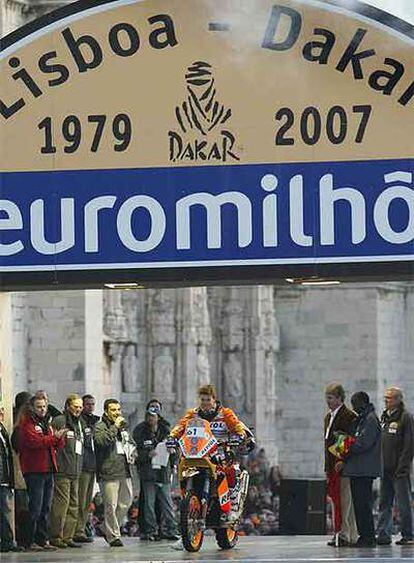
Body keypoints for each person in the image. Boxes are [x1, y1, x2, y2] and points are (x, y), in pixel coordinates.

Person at [169, 384, 253, 521]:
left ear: (214, 399)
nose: (205, 403)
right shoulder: (192, 414)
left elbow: (237, 425)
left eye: (208, 400)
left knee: (230, 470)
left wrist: (240, 435)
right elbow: (180, 426)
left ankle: (232, 505)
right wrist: (172, 437)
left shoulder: (225, 413)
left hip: (220, 452)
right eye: (202, 400)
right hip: (197, 453)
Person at [18, 393, 66, 551]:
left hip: (49, 469)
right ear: (32, 407)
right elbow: (34, 442)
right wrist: (54, 439)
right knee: (35, 508)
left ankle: (42, 539)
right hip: (35, 471)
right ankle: (29, 541)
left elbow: (55, 444)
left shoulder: (47, 423)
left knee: (46, 508)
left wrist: (59, 438)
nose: (42, 409)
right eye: (39, 407)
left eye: (44, 406)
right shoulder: (26, 424)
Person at [341, 391, 382, 548]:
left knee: (363, 504)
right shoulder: (361, 419)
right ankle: (364, 535)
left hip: (365, 469)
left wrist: (346, 446)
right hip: (357, 469)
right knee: (359, 504)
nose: (354, 407)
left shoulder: (370, 420)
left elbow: (363, 443)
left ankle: (368, 536)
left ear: (363, 403)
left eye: (355, 403)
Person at [94, 398, 135, 547]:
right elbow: (101, 441)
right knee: (110, 505)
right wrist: (115, 427)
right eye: (113, 410)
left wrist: (133, 451)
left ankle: (106, 527)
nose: (117, 413)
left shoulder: (123, 429)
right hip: (108, 472)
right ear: (106, 411)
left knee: (126, 502)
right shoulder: (100, 426)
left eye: (118, 410)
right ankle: (113, 536)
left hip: (124, 470)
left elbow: (131, 443)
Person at [133, 406, 179, 541]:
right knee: (149, 504)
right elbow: (135, 453)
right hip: (148, 474)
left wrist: (173, 455)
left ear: (158, 417)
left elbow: (174, 448)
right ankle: (150, 531)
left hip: (163, 473)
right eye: (148, 416)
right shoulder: (140, 432)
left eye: (153, 416)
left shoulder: (166, 431)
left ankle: (171, 529)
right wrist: (147, 454)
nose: (150, 419)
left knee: (167, 504)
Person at [377, 387, 414, 546]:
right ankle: (383, 533)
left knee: (403, 503)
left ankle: (408, 534)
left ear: (399, 399)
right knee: (384, 502)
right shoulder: (385, 417)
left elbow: (409, 445)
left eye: (390, 398)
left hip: (399, 470)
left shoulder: (406, 418)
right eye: (385, 398)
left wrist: (403, 466)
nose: (386, 401)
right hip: (385, 468)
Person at [324, 382, 358, 547]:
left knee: (345, 501)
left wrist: (342, 460)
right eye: (327, 398)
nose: (327, 401)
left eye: (330, 398)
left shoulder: (348, 416)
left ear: (339, 398)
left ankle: (345, 534)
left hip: (343, 465)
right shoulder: (328, 417)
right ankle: (344, 533)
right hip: (331, 465)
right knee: (336, 501)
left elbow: (348, 440)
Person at [50, 394, 84, 549]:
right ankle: (56, 536)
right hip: (62, 470)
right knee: (61, 505)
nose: (78, 409)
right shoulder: (60, 421)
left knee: (74, 505)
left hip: (75, 471)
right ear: (68, 406)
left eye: (80, 407)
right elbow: (52, 443)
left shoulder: (79, 423)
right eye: (76, 406)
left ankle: (68, 536)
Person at [74, 394, 99, 543]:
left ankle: (82, 528)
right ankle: (78, 530)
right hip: (82, 465)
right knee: (80, 499)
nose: (90, 407)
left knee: (87, 501)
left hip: (92, 465)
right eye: (88, 404)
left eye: (92, 404)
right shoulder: (80, 422)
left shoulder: (96, 421)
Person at [0, 400, 23, 553]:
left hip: (5, 477)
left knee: (6, 511)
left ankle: (8, 541)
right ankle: (7, 541)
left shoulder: (2, 429)